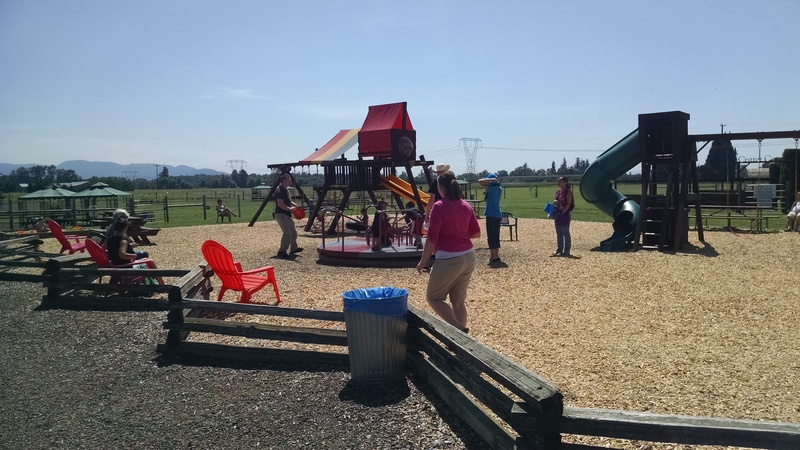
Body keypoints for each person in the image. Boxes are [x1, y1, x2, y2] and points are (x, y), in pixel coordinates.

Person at [416, 170, 481, 332]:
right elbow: (476, 233)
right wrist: (459, 233)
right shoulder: (466, 205)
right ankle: (461, 339)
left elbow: (432, 238)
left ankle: (459, 330)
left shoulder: (439, 207)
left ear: (440, 187)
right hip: (468, 256)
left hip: (449, 258)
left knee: (434, 297)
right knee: (458, 301)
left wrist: (422, 262)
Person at [274, 173, 303, 259]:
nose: (290, 181)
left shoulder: (286, 190)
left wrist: (295, 206)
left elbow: (289, 201)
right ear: (283, 181)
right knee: (287, 233)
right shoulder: (280, 191)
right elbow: (280, 204)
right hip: (281, 214)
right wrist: (291, 209)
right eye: (288, 179)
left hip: (286, 214)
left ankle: (293, 249)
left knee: (293, 232)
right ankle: (281, 251)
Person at [479, 173, 503, 264]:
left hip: (491, 214)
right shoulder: (499, 188)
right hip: (498, 214)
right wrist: (493, 180)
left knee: (491, 236)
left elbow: (480, 182)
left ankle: (493, 256)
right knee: (496, 235)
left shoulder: (491, 188)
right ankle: (496, 254)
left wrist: (488, 180)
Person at [552, 176, 574, 257]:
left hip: (564, 215)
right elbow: (556, 200)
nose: (559, 183)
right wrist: (555, 201)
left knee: (565, 233)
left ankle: (567, 250)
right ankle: (559, 249)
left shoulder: (568, 192)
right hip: (557, 215)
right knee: (559, 233)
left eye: (561, 181)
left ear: (565, 182)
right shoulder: (558, 192)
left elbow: (569, 204)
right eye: (558, 181)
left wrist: (563, 211)